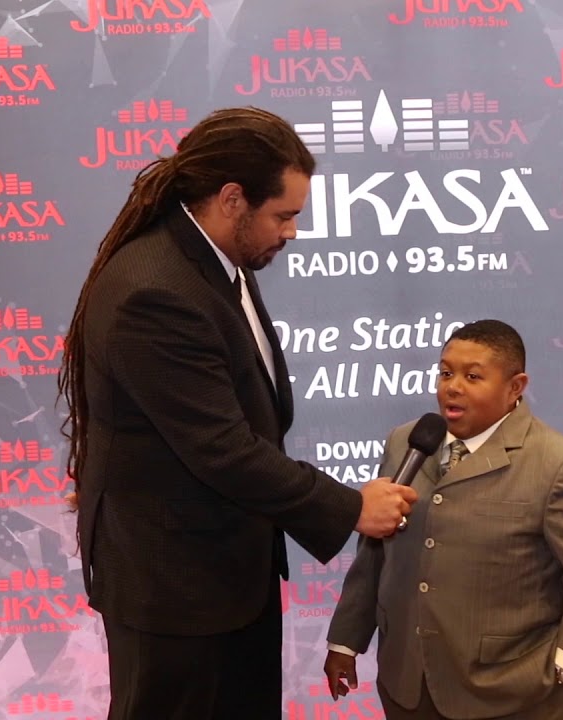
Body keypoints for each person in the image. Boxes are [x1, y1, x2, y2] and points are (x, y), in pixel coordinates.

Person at [57, 107, 419, 720]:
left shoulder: (216, 260)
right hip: (175, 592)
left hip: (226, 575)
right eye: (283, 215)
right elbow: (222, 449)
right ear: (232, 200)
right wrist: (351, 507)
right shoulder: (157, 291)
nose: (292, 232)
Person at [323, 320, 563, 720]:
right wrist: (345, 642)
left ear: (515, 387)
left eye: (472, 377)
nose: (452, 387)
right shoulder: (406, 442)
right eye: (446, 373)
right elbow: (375, 554)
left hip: (518, 697)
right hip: (409, 691)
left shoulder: (558, 466)